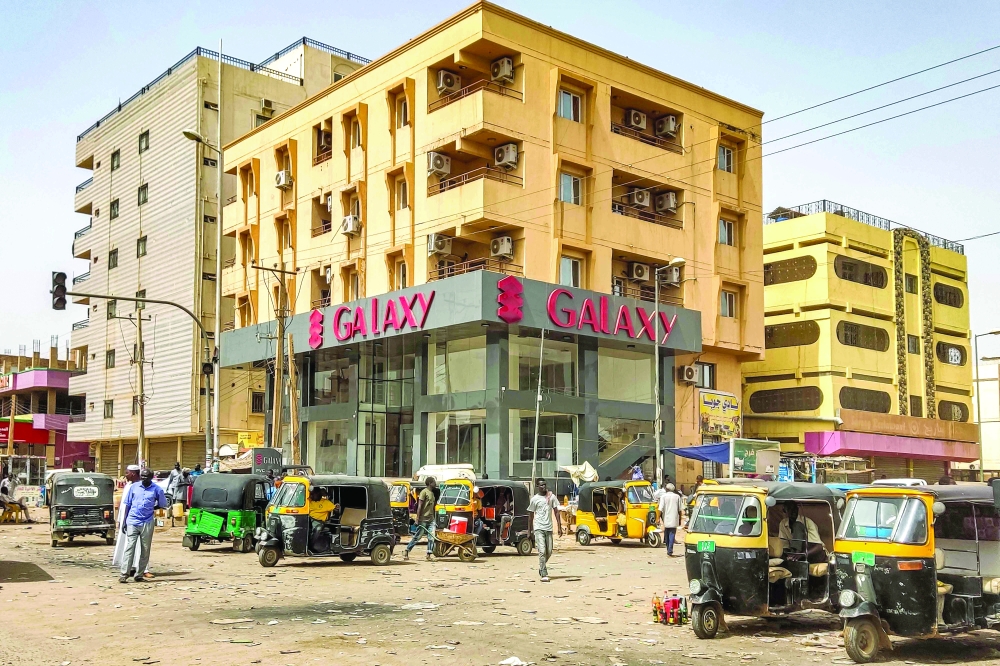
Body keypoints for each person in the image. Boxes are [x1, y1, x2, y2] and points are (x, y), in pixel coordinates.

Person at [119, 468, 167, 583]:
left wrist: (151, 508)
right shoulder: (134, 487)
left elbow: (162, 504)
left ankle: (139, 574)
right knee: (130, 547)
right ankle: (124, 574)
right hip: (132, 521)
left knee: (145, 549)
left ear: (151, 478)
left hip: (147, 522)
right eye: (142, 476)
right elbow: (128, 505)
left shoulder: (157, 489)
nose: (144, 479)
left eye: (146, 477)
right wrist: (124, 521)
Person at [112, 465, 152, 579]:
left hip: (142, 521)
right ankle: (128, 569)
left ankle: (142, 570)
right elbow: (124, 506)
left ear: (133, 473)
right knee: (128, 545)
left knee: (142, 546)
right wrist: (121, 520)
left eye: (127, 473)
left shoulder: (142, 486)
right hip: (129, 520)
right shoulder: (128, 486)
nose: (125, 475)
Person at [527, 479, 561, 582]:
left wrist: (559, 526)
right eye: (541, 485)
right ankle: (544, 573)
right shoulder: (534, 499)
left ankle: (541, 567)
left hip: (549, 528)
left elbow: (556, 512)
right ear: (537, 486)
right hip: (538, 528)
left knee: (549, 551)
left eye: (545, 485)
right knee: (542, 551)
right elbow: (531, 515)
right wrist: (530, 531)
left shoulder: (551, 497)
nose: (544, 487)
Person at [405, 476, 438, 561]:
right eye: (434, 482)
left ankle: (428, 554)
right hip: (423, 519)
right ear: (430, 483)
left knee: (431, 536)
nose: (435, 483)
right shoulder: (424, 492)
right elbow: (419, 506)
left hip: (431, 519)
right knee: (417, 537)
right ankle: (407, 550)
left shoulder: (432, 493)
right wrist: (417, 519)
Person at [658, 483, 683, 555]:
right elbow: (680, 510)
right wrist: (680, 519)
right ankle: (669, 549)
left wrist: (658, 518)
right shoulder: (677, 496)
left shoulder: (663, 496)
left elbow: (660, 509)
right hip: (674, 518)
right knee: (672, 533)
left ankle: (669, 549)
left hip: (666, 518)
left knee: (667, 533)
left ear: (667, 489)